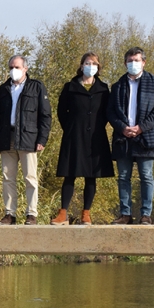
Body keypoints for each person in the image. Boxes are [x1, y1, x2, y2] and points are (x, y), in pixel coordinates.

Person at [51, 53, 114, 226]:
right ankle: (62, 213)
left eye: (94, 63)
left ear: (98, 67)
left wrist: (97, 125)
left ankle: (86, 213)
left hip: (95, 137)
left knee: (91, 176)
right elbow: (61, 111)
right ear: (81, 66)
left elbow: (106, 112)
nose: (90, 66)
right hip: (74, 136)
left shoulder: (103, 88)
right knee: (69, 174)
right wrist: (71, 127)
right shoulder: (70, 87)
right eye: (87, 63)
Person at [107, 47, 154, 225]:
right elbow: (110, 112)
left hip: (145, 138)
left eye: (137, 60)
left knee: (146, 176)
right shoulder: (117, 86)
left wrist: (140, 128)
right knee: (123, 177)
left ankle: (146, 214)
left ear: (144, 62)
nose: (133, 63)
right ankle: (125, 214)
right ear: (125, 63)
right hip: (122, 138)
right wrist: (123, 128)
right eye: (130, 60)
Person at [0, 55, 52, 225]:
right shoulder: (4, 88)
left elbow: (45, 115)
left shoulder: (36, 87)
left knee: (30, 177)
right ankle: (10, 214)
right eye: (11, 67)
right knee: (8, 177)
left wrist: (42, 138)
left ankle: (31, 214)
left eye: (17, 67)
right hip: (6, 137)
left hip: (28, 138)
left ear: (25, 68)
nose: (14, 70)